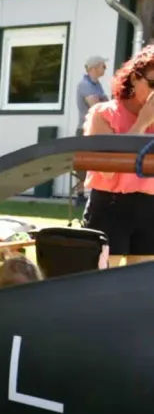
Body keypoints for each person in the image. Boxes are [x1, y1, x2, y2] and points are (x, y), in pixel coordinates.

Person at [81, 44, 154, 268]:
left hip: (149, 206)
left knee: (142, 288)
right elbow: (107, 168)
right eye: (153, 83)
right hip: (110, 206)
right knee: (100, 282)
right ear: (134, 78)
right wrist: (142, 122)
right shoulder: (104, 114)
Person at [75, 55, 108, 135]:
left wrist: (102, 101)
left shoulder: (97, 84)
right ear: (94, 68)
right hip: (85, 130)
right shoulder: (85, 84)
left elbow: (106, 104)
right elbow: (96, 107)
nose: (105, 68)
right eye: (103, 66)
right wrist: (103, 101)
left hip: (95, 129)